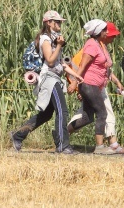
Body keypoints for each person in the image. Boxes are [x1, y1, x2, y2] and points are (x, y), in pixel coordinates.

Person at [10, 10, 84, 154]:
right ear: (48, 23)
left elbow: (60, 63)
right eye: (56, 22)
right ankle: (62, 146)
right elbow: (50, 61)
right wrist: (60, 46)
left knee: (46, 114)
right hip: (49, 79)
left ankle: (17, 135)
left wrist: (76, 76)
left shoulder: (54, 38)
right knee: (62, 111)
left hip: (54, 77)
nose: (59, 24)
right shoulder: (45, 39)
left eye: (60, 21)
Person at [67, 21, 124, 154]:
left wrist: (117, 82)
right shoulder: (91, 45)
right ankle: (100, 147)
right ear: (98, 32)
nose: (107, 33)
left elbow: (104, 67)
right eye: (104, 30)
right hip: (90, 84)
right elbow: (83, 65)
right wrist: (74, 83)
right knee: (102, 113)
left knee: (87, 117)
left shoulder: (99, 45)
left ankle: (62, 134)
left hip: (96, 85)